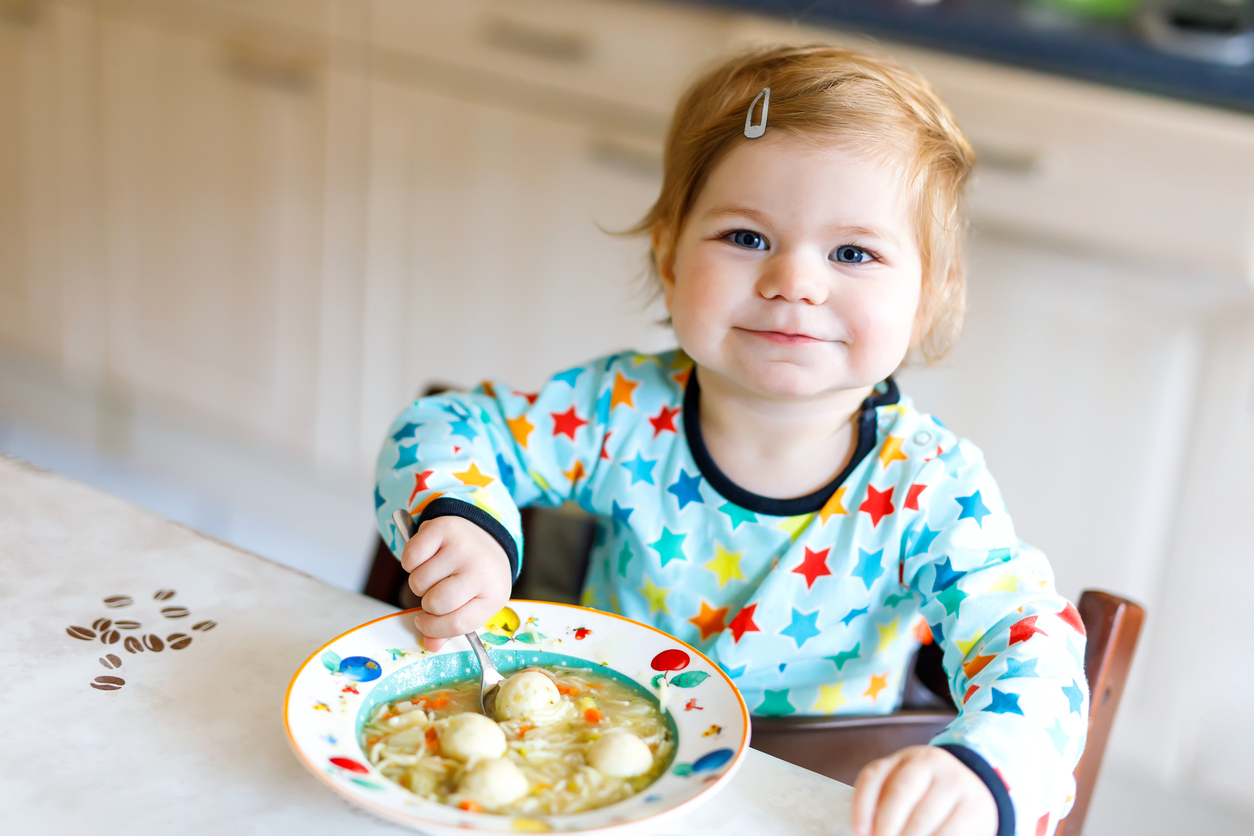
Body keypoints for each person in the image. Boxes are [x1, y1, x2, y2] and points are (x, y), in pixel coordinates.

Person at [374, 45, 1089, 836]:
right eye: (747, 237)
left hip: (803, 806)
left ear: (928, 299)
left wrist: (986, 767)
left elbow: (1033, 647)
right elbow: (443, 427)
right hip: (594, 784)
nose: (795, 281)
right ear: (668, 255)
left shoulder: (929, 486)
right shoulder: (618, 412)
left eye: (853, 252)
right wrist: (465, 518)